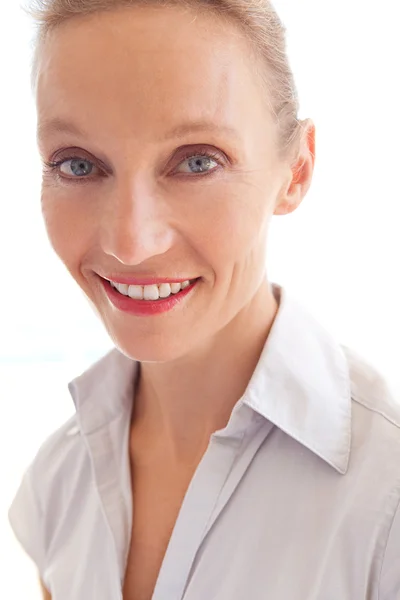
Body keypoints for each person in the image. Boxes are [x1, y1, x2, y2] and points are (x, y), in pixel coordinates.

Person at [8, 0, 400, 599]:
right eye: (79, 165)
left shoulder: (386, 497)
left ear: (295, 170)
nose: (131, 243)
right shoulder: (55, 487)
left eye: (196, 162)